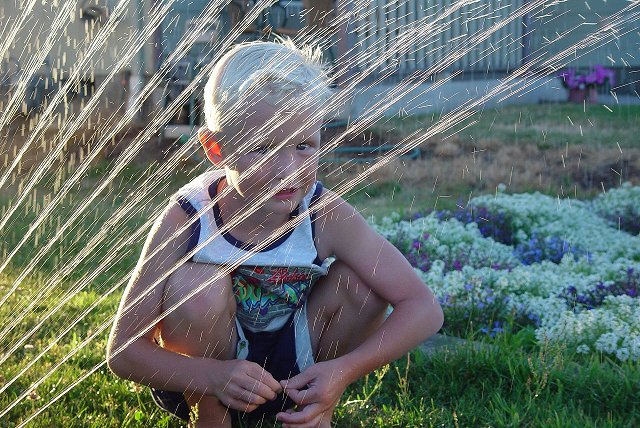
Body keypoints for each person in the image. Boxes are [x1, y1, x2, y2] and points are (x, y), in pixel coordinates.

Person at [107, 39, 443, 428]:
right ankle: (214, 417)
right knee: (196, 286)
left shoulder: (324, 214)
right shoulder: (188, 218)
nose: (288, 169)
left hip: (296, 366)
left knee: (363, 286)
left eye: (304, 146)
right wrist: (212, 379)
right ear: (217, 149)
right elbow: (123, 350)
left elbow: (423, 308)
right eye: (263, 148)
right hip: (206, 372)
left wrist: (342, 371)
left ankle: (312, 409)